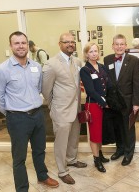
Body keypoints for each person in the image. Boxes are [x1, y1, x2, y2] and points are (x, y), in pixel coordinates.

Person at [0, 31, 59, 191]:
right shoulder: (2, 70)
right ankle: (22, 188)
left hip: (37, 115)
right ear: (11, 46)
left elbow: (38, 89)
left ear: (28, 45)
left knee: (39, 150)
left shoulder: (36, 67)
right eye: (17, 43)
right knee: (19, 157)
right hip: (17, 119)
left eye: (23, 43)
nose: (21, 46)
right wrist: (11, 113)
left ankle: (42, 177)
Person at [42, 33, 87, 185]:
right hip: (61, 110)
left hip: (76, 108)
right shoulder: (51, 64)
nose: (70, 44)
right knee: (61, 142)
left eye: (72, 42)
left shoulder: (77, 61)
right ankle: (62, 170)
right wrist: (53, 106)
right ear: (59, 44)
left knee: (74, 137)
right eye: (66, 42)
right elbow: (46, 89)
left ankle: (72, 159)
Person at [103, 34, 139, 166]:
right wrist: (106, 101)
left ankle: (128, 153)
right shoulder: (107, 59)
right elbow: (107, 81)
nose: (119, 47)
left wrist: (136, 103)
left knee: (128, 129)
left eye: (122, 44)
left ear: (126, 46)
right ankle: (119, 149)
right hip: (113, 102)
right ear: (112, 46)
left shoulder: (134, 61)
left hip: (128, 101)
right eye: (117, 44)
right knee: (117, 128)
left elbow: (137, 83)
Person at [80, 42, 110, 173]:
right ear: (86, 54)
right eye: (91, 51)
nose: (94, 54)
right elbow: (90, 91)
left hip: (103, 103)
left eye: (96, 51)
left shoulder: (102, 67)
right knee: (94, 133)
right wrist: (103, 102)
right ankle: (96, 159)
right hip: (93, 104)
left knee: (101, 131)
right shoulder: (85, 70)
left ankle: (100, 154)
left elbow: (107, 86)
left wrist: (107, 100)